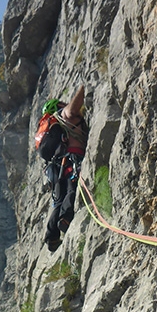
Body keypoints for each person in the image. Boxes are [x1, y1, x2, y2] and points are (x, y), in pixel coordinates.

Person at [36, 85, 88, 252]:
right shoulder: (61, 116)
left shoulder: (49, 130)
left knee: (58, 201)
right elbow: (72, 111)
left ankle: (51, 236)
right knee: (72, 190)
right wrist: (83, 88)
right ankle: (65, 219)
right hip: (72, 160)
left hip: (57, 171)